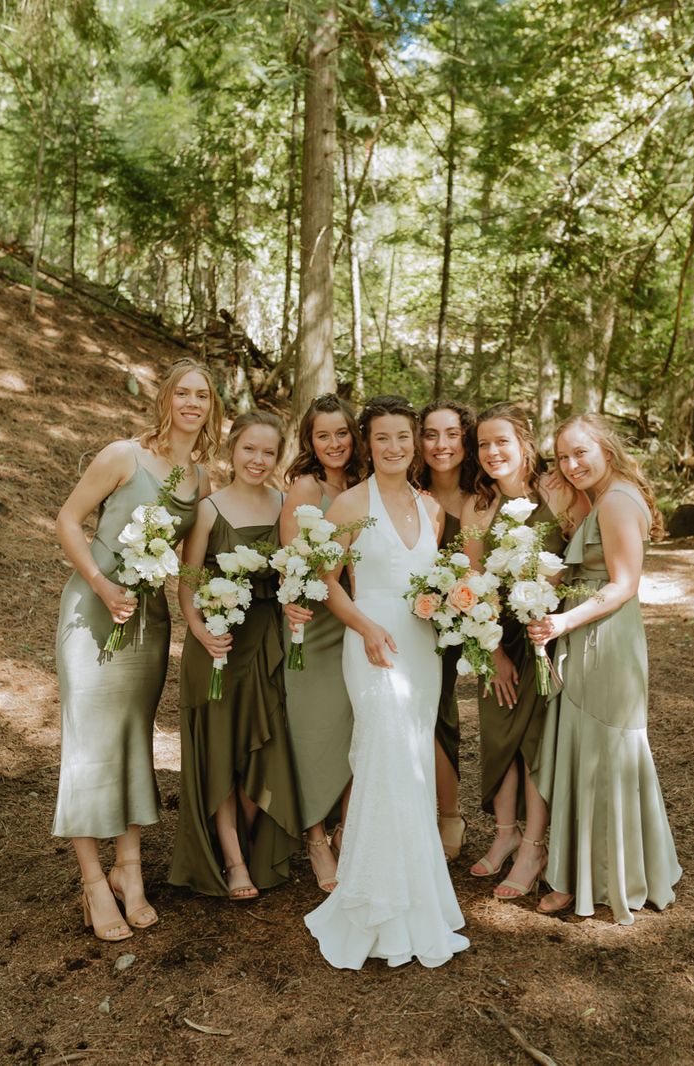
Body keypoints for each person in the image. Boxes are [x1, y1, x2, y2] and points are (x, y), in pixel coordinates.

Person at [53, 358, 222, 942]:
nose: (192, 402)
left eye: (203, 394)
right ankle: (94, 882)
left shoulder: (201, 480)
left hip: (148, 620)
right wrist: (101, 583)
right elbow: (68, 521)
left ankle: (130, 872)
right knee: (89, 742)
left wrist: (209, 614)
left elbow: (192, 568)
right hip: (92, 608)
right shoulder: (122, 455)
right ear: (166, 398)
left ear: (212, 406)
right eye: (183, 392)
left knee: (131, 739)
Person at [304, 395, 470, 969]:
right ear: (367, 444)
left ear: (415, 442)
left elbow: (437, 580)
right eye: (383, 439)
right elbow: (326, 581)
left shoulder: (432, 509)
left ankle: (418, 897)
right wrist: (365, 626)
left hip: (420, 647)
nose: (395, 447)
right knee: (380, 756)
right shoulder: (349, 503)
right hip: (370, 643)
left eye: (404, 437)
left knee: (414, 762)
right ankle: (371, 901)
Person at [528, 414, 682, 923]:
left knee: (603, 754)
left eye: (580, 453)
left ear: (606, 449)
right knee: (587, 752)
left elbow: (623, 584)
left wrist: (562, 621)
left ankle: (606, 878)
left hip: (605, 639)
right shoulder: (601, 496)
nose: (571, 465)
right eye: (562, 457)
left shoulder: (616, 502)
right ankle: (581, 873)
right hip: (589, 632)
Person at [169, 411, 300, 900]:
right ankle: (234, 860)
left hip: (267, 642)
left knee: (261, 749)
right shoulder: (208, 509)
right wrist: (202, 633)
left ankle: (247, 838)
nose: (259, 460)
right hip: (217, 646)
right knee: (221, 751)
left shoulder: (287, 505)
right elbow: (187, 584)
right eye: (250, 449)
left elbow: (293, 573)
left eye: (269, 452)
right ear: (232, 449)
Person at [461, 402, 588, 901]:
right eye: (484, 444)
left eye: (502, 442)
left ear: (525, 444)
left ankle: (535, 846)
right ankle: (505, 832)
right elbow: (473, 580)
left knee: (536, 744)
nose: (492, 452)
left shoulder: (558, 492)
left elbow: (580, 562)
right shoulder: (478, 506)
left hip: (549, 636)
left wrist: (551, 600)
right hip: (499, 637)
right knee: (498, 740)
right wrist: (492, 653)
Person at [279, 394, 365, 894]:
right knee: (312, 731)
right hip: (311, 621)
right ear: (310, 441)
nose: (333, 443)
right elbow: (293, 560)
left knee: (355, 727)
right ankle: (314, 839)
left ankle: (346, 829)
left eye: (341, 433)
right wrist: (289, 603)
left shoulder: (360, 485)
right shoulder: (305, 486)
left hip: (354, 617)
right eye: (322, 435)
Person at [418, 400, 475, 862]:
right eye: (431, 434)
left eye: (451, 434)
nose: (441, 445)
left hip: (457, 620)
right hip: (404, 616)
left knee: (441, 709)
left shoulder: (482, 495)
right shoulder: (408, 491)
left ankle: (450, 813)